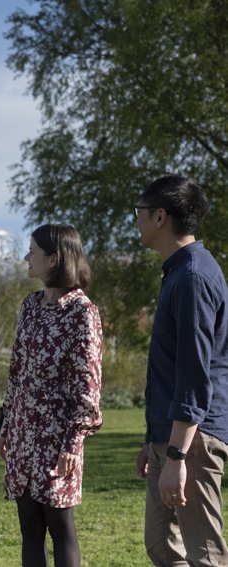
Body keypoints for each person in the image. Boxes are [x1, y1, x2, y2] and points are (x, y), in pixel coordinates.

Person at [133, 175, 228, 566]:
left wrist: (176, 455)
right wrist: (153, 439)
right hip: (169, 435)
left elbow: (193, 373)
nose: (135, 221)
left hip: (194, 440)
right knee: (160, 542)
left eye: (138, 213)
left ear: (160, 216)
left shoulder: (192, 277)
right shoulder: (177, 272)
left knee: (204, 554)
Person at [0, 223, 103, 567]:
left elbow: (88, 384)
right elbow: (16, 372)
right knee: (29, 528)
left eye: (33, 252)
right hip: (23, 435)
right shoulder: (30, 305)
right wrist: (6, 428)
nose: (26, 257)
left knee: (60, 526)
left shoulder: (82, 312)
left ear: (54, 258)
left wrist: (74, 441)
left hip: (58, 438)